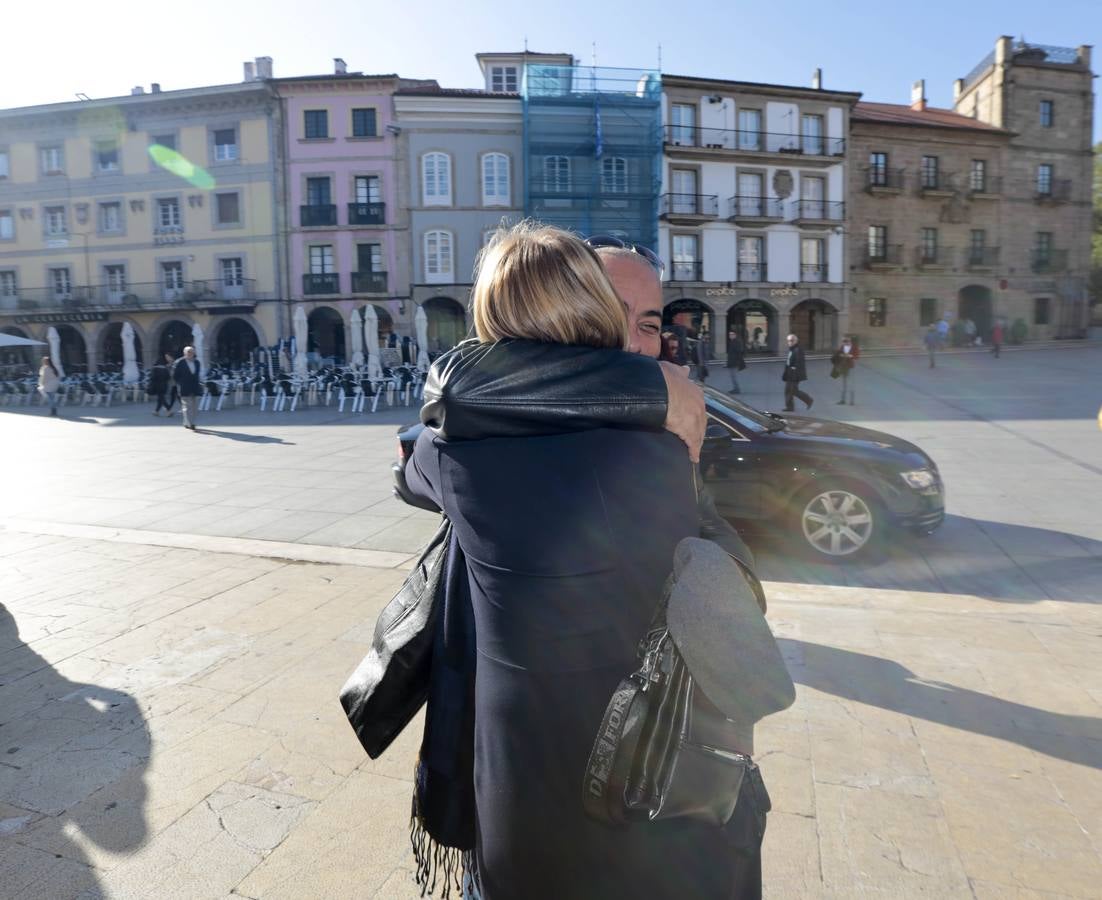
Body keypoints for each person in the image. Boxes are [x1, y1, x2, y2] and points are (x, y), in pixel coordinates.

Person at [405, 224, 745, 900]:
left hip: (512, 782)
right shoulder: (655, 457)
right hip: (633, 775)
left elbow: (416, 453)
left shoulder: (450, 455)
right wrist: (658, 400)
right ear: (594, 318)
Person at [172, 346, 201, 431]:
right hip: (184, 387)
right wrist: (180, 383)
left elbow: (197, 374)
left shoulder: (197, 362)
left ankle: (189, 421)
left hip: (195, 387)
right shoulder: (180, 362)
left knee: (195, 406)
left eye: (192, 352)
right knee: (187, 406)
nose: (190, 353)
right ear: (184, 353)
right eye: (188, 352)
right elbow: (175, 375)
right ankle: (191, 423)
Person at [782, 334, 813, 412]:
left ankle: (808, 400)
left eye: (792, 340)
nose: (790, 342)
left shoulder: (798, 349)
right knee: (790, 390)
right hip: (790, 373)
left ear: (796, 341)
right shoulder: (792, 349)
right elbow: (788, 363)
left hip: (795, 374)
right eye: (788, 341)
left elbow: (799, 363)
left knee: (792, 391)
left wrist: (794, 372)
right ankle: (790, 407)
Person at [831, 335, 858, 405]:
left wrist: (850, 356)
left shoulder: (854, 347)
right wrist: (841, 353)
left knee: (851, 384)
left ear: (850, 341)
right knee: (844, 384)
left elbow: (856, 356)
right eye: (844, 341)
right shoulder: (842, 347)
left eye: (847, 341)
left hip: (851, 367)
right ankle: (843, 400)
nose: (845, 342)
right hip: (843, 367)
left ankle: (852, 401)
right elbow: (837, 354)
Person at [727, 329, 746, 394]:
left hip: (734, 362)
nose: (730, 335)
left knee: (734, 377)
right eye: (729, 334)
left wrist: (738, 362)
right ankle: (735, 389)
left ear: (735, 335)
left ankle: (737, 389)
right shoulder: (732, 342)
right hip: (732, 362)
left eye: (732, 334)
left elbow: (739, 352)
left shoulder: (736, 342)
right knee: (733, 377)